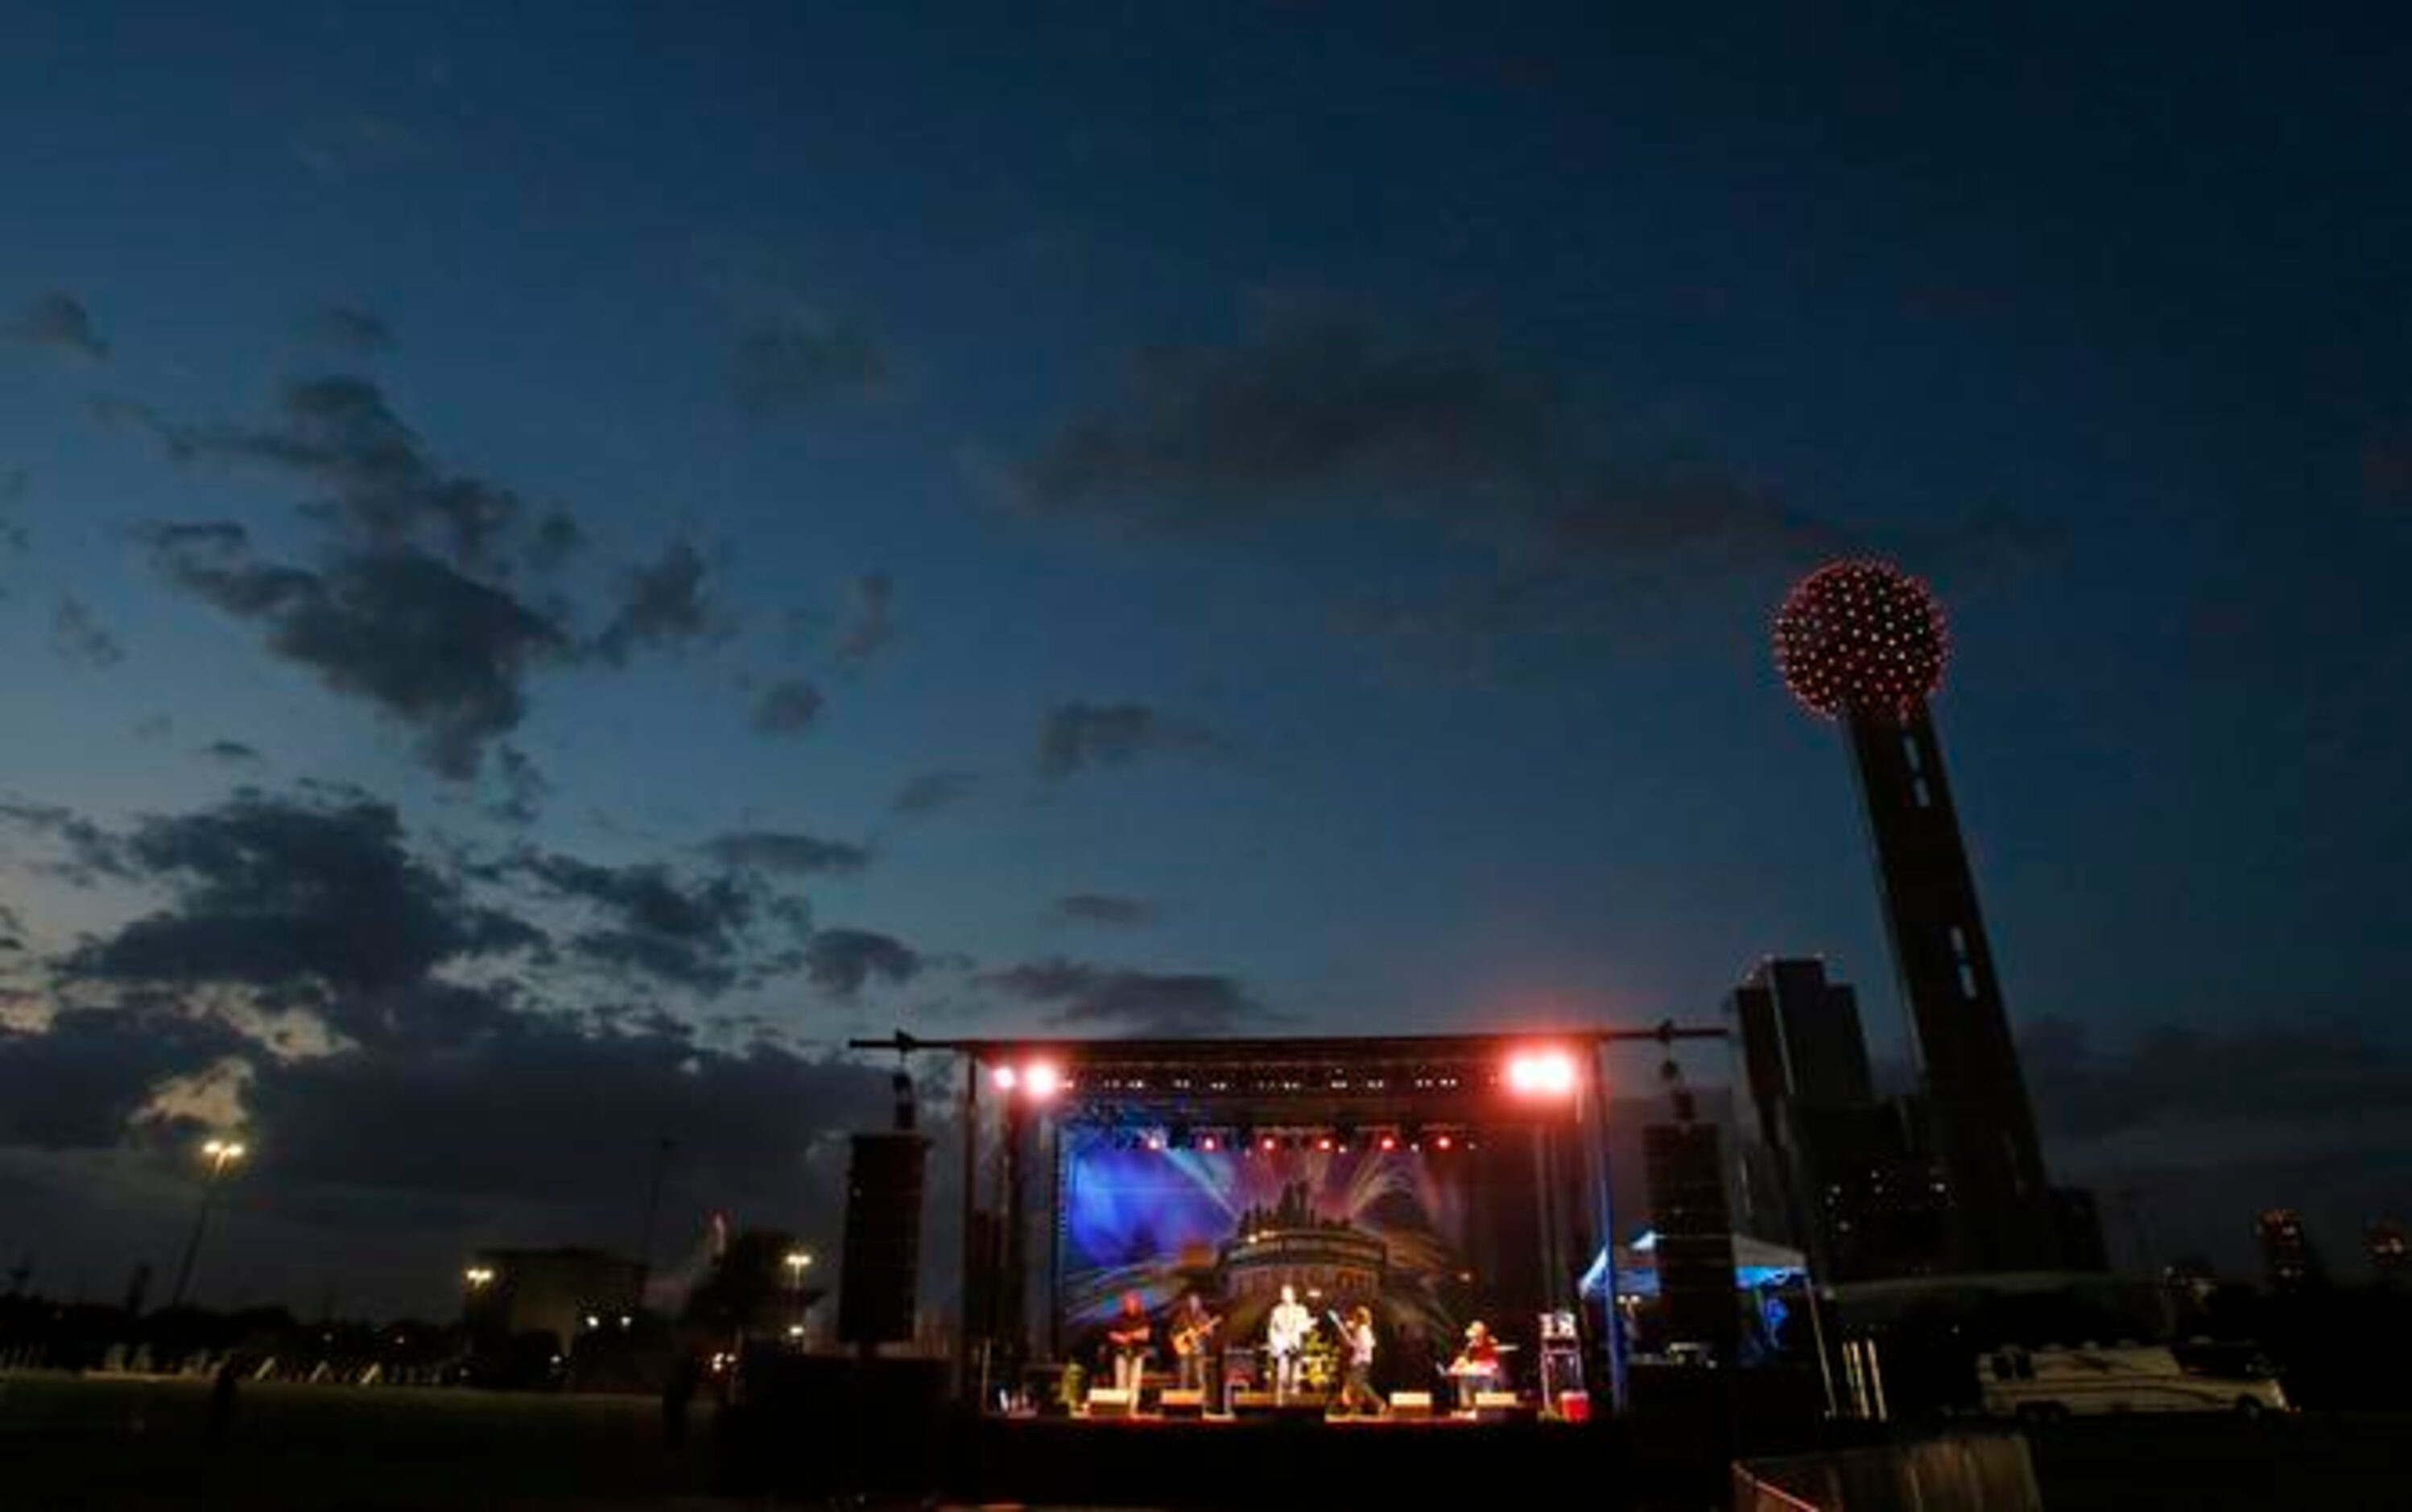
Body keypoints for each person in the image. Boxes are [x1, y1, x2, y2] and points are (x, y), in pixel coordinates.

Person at [1266, 1283, 1312, 1403]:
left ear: (1293, 1295)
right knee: (1282, 1375)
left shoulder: (1301, 1310)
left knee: (1296, 1376)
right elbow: (1271, 1328)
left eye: (1287, 1293)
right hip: (1282, 1346)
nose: (1285, 1296)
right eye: (1283, 1294)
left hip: (1295, 1345)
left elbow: (1306, 1328)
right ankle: (1280, 1402)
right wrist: (1275, 1343)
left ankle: (1295, 1403)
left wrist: (1305, 1326)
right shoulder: (1276, 1311)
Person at [1170, 1292, 1220, 1394]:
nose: (1193, 1303)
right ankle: (1183, 1401)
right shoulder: (1182, 1316)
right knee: (1184, 1376)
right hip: (1185, 1350)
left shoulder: (1204, 1316)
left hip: (1199, 1349)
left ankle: (1202, 1403)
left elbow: (1211, 1334)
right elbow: (1173, 1333)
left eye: (1195, 1301)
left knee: (1200, 1376)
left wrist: (1208, 1330)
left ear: (1199, 1303)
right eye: (1191, 1301)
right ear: (1188, 1303)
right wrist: (1179, 1340)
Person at [1105, 1291, 1152, 1401]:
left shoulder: (1143, 1317)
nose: (1130, 1305)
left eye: (1132, 1303)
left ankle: (1132, 1407)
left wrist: (1132, 1335)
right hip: (1121, 1353)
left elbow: (1146, 1335)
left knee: (1135, 1383)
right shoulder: (1118, 1317)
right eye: (1127, 1303)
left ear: (1137, 1304)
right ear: (1124, 1305)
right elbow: (1111, 1334)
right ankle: (1121, 1406)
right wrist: (1121, 1338)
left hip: (1137, 1354)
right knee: (1121, 1382)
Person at [1448, 1320, 1501, 1414]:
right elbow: (1465, 1359)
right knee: (1463, 1378)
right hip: (1471, 1375)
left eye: (1478, 1332)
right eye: (1474, 1332)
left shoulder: (1490, 1342)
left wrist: (1475, 1364)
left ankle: (1484, 1408)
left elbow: (1492, 1362)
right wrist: (1461, 1362)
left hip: (1485, 1375)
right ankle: (1466, 1408)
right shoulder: (1470, 1346)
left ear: (1483, 1332)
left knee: (1485, 1385)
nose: (1474, 1337)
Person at [1337, 1306, 1382, 1417]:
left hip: (1361, 1361)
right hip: (1361, 1361)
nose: (1353, 1318)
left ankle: (1378, 1403)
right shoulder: (1363, 1329)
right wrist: (1348, 1334)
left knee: (1358, 1385)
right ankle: (1356, 1410)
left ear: (1358, 1317)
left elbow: (1364, 1346)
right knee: (1358, 1387)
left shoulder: (1363, 1329)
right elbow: (1369, 1343)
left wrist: (1351, 1341)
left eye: (1355, 1316)